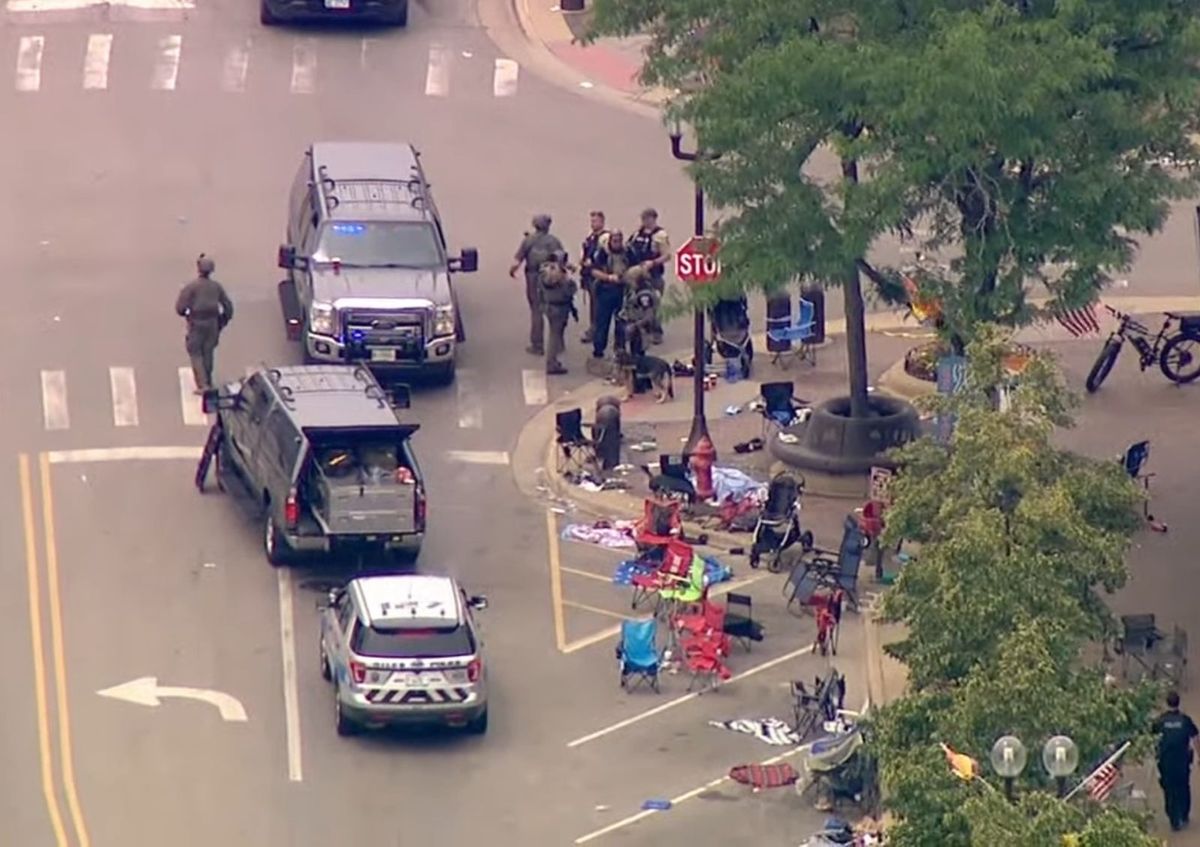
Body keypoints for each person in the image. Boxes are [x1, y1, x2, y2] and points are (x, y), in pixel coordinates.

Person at [175, 253, 234, 393]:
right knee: (208, 352)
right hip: (212, 323)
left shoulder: (191, 287)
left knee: (195, 352)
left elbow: (180, 308)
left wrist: (187, 314)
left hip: (196, 323)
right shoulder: (216, 287)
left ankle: (202, 385)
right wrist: (222, 321)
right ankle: (208, 380)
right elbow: (228, 307)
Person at [509, 214, 565, 356]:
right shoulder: (554, 241)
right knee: (555, 312)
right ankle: (558, 344)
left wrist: (512, 271)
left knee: (536, 310)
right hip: (550, 279)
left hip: (533, 277)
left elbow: (517, 261)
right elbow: (561, 261)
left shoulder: (528, 240)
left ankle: (537, 345)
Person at [1153, 690, 1199, 831]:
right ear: (1178, 703)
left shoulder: (1160, 721)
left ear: (1167, 703)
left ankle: (1174, 819)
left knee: (1169, 790)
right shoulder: (1185, 720)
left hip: (1166, 761)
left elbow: (1151, 738)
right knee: (1183, 787)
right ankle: (1184, 815)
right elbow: (1196, 738)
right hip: (1183, 760)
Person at [625, 208, 671, 344]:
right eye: (643, 218)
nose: (645, 221)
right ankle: (639, 328)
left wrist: (653, 263)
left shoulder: (660, 235)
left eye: (648, 218)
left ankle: (657, 331)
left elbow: (667, 255)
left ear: (654, 218)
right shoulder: (637, 234)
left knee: (653, 303)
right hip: (637, 275)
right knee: (635, 302)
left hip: (653, 276)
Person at [589, 229, 634, 360]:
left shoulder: (628, 252)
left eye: (619, 240)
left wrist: (629, 277)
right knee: (602, 322)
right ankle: (598, 350)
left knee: (621, 322)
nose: (617, 243)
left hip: (623, 291)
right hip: (605, 291)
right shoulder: (603, 253)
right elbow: (594, 271)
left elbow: (636, 267)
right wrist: (608, 277)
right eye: (614, 240)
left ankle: (620, 349)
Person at [538, 249, 578, 375]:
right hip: (557, 307)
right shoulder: (555, 273)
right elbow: (569, 289)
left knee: (556, 334)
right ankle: (552, 363)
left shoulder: (546, 270)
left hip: (552, 306)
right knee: (554, 336)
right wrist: (566, 276)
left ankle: (554, 360)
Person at [578, 211, 609, 345]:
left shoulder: (605, 238)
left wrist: (595, 264)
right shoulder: (591, 237)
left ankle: (596, 331)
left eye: (595, 221)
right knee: (594, 305)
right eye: (592, 221)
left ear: (602, 222)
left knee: (599, 307)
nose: (593, 224)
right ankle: (594, 328)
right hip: (590, 277)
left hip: (600, 277)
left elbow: (608, 257)